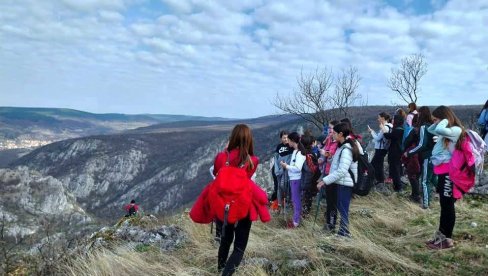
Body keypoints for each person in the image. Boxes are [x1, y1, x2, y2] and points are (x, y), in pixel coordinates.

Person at [426, 106, 463, 250]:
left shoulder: (455, 130)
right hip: (443, 172)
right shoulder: (446, 130)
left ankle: (447, 239)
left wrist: (445, 120)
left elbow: (440, 130)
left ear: (445, 118)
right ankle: (440, 237)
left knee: (447, 205)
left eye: (436, 119)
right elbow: (431, 130)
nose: (434, 121)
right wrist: (439, 121)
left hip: (450, 172)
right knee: (444, 204)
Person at [317, 122, 360, 237]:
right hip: (342, 182)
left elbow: (342, 171)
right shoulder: (341, 147)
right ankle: (343, 232)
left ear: (341, 134)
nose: (332, 135)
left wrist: (324, 181)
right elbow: (336, 165)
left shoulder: (346, 149)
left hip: (344, 183)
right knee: (341, 208)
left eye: (335, 133)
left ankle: (344, 233)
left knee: (343, 208)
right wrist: (329, 157)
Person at [405, 106, 436, 209]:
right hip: (436, 156)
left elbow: (422, 144)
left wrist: (409, 153)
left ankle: (426, 205)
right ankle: (450, 194)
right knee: (433, 179)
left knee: (424, 181)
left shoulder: (423, 127)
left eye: (418, 114)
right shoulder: (432, 126)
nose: (416, 115)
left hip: (428, 156)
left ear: (421, 114)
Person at [280, 132, 306, 228]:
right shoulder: (295, 151)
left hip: (296, 179)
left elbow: (297, 168)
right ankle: (296, 219)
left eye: (289, 140)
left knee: (296, 200)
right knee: (294, 200)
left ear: (292, 141)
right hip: (293, 179)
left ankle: (296, 222)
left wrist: (286, 166)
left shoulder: (300, 153)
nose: (288, 142)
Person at [367, 112, 392, 189]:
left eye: (379, 117)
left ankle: (375, 181)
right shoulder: (390, 126)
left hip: (380, 149)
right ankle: (380, 180)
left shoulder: (385, 127)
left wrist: (371, 132)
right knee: (379, 165)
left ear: (383, 118)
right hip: (383, 149)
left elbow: (378, 138)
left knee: (372, 165)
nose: (378, 119)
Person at [270, 131, 293, 210]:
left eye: (287, 137)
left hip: (286, 169)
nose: (286, 139)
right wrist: (277, 169)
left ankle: (286, 202)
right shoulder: (279, 146)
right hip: (278, 169)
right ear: (281, 138)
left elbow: (290, 159)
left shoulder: (291, 146)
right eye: (284, 138)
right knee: (278, 186)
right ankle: (278, 203)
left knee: (285, 185)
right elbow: (276, 157)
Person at [382, 115, 405, 192]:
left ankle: (398, 187)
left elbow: (388, 136)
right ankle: (397, 186)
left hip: (395, 152)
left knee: (395, 169)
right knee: (396, 168)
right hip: (399, 151)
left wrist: (383, 129)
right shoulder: (402, 129)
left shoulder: (398, 130)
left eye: (394, 119)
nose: (392, 120)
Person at [300, 135, 320, 216]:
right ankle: (306, 213)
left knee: (305, 199)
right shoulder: (312, 154)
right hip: (312, 180)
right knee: (308, 199)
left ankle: (304, 214)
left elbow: (306, 169)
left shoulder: (303, 154)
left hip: (306, 181)